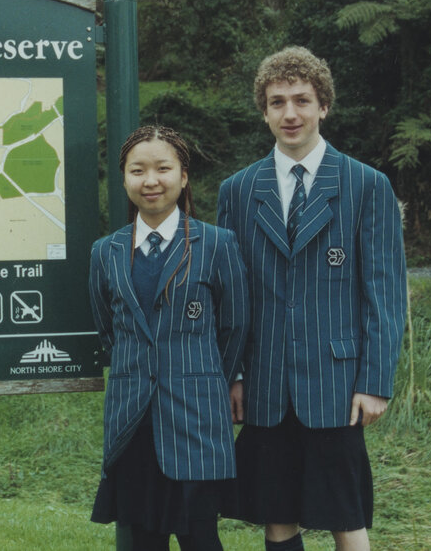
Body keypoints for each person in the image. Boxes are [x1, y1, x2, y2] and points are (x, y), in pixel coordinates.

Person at [217, 47, 408, 551]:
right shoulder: (238, 191)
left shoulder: (367, 185)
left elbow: (385, 293)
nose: (290, 114)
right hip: (265, 383)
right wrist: (233, 374)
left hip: (337, 384)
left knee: (346, 516)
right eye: (277, 102)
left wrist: (375, 381)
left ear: (324, 106)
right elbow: (230, 297)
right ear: (264, 111)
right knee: (277, 517)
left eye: (302, 100)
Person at [89, 125, 250, 551]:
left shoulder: (217, 244)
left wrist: (207, 378)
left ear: (183, 176)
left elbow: (234, 328)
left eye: (163, 168)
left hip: (195, 417)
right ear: (124, 178)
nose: (150, 180)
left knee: (200, 537)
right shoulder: (105, 251)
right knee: (141, 539)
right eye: (137, 170)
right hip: (132, 419)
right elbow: (108, 327)